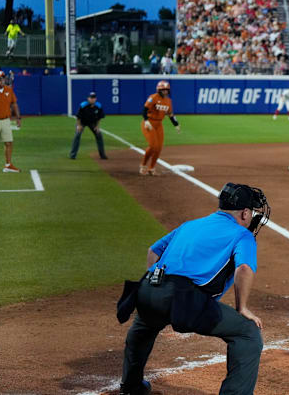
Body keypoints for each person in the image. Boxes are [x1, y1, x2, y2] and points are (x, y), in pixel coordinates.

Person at [119, 183, 270, 395]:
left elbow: (153, 251)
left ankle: (131, 386)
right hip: (183, 299)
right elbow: (244, 268)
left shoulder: (190, 225)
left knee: (143, 327)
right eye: (252, 212)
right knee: (247, 333)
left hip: (146, 289)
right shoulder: (242, 235)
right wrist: (242, 307)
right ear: (245, 213)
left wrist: (158, 286)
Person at [139, 81, 180, 175]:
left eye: (166, 90)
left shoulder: (168, 101)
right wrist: (146, 121)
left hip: (158, 124)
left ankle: (151, 168)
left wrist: (176, 124)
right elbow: (144, 110)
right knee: (153, 146)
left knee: (159, 148)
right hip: (149, 122)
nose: (165, 92)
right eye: (163, 90)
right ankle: (143, 165)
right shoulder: (153, 97)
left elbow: (170, 114)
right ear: (159, 90)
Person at [0, 70, 22, 173]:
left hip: (6, 120)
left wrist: (18, 118)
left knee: (9, 142)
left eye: (1, 78)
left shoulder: (9, 90)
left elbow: (14, 104)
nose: (0, 81)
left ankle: (8, 165)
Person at [70, 91, 107, 160]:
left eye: (94, 98)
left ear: (96, 99)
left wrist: (97, 127)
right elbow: (78, 117)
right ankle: (72, 155)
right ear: (88, 98)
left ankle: (102, 155)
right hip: (82, 122)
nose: (92, 99)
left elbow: (99, 117)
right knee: (77, 135)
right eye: (91, 98)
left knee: (99, 134)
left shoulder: (98, 106)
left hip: (92, 123)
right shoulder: (83, 105)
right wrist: (79, 126)